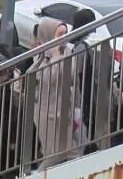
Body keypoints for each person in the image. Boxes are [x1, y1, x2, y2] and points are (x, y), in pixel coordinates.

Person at [33, 17, 84, 170]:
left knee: (73, 151)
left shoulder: (68, 52)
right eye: (59, 34)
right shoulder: (41, 56)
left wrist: (76, 109)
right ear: (48, 36)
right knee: (55, 155)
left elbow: (73, 82)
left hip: (64, 112)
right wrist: (56, 57)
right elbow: (49, 80)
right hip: (46, 114)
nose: (64, 38)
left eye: (65, 34)